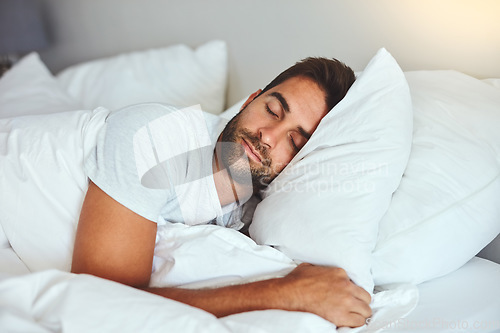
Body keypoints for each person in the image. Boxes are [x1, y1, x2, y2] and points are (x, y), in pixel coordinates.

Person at [71, 57, 372, 327]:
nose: (267, 136)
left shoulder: (249, 216)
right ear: (250, 100)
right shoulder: (155, 136)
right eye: (272, 110)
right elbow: (100, 301)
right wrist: (285, 294)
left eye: (294, 142)